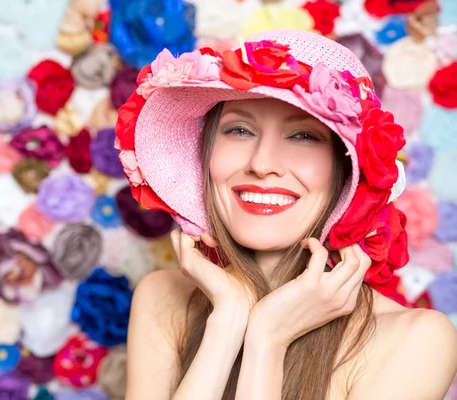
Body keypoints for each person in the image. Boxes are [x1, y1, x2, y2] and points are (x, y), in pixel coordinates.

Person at [116, 30, 457, 399]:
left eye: (303, 136)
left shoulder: (415, 340)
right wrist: (227, 321)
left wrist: (268, 338)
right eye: (239, 130)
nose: (261, 164)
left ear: (346, 171)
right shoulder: (164, 299)